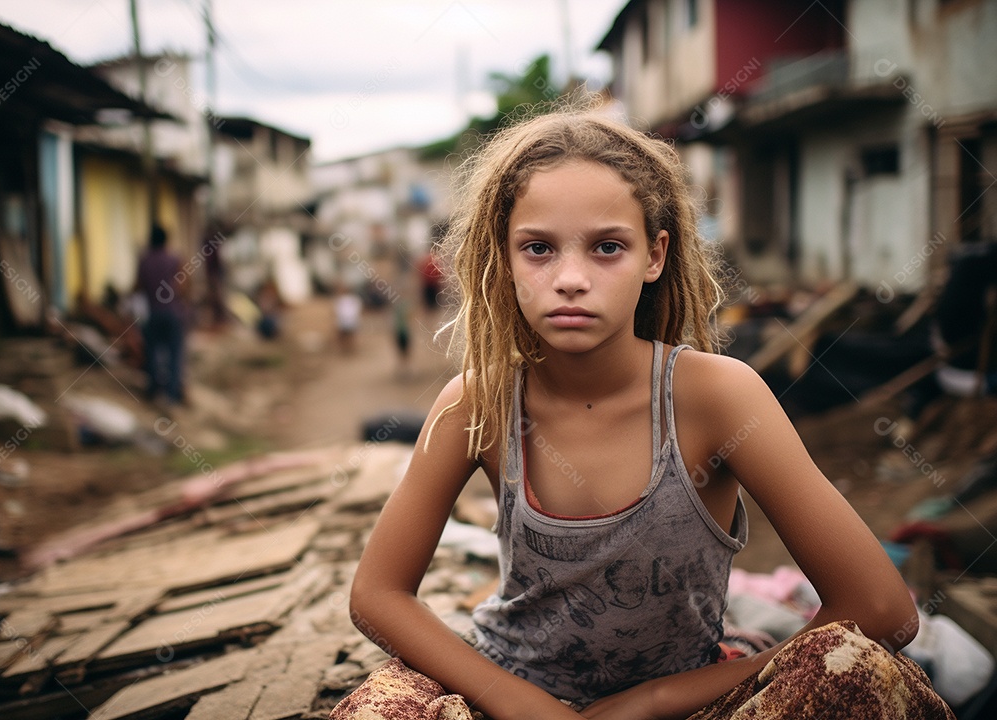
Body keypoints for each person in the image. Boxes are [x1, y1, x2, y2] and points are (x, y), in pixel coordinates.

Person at [341, 110, 953, 719]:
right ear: (504, 257)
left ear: (654, 255)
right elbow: (378, 594)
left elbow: (880, 610)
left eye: (607, 247)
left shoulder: (717, 396)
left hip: (693, 700)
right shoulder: (479, 402)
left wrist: (652, 700)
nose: (571, 279)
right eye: (538, 249)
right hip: (515, 690)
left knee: (857, 673)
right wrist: (524, 705)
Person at [135, 224, 188, 405]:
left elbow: (138, 286)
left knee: (152, 353)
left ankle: (153, 389)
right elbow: (184, 286)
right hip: (172, 313)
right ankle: (172, 394)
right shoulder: (174, 259)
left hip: (153, 314)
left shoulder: (144, 261)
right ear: (166, 240)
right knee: (175, 354)